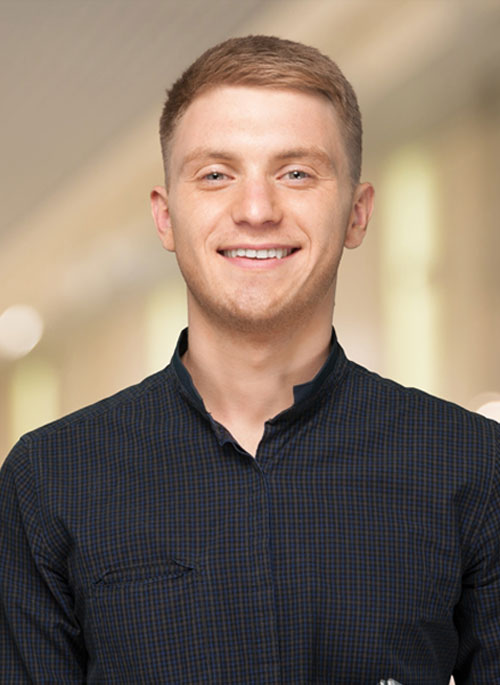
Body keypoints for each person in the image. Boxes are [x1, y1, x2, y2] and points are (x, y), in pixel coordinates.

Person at [0, 35, 498, 685]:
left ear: (357, 212)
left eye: (296, 172)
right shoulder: (51, 479)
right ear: (166, 217)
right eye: (215, 174)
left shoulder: (473, 467)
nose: (257, 210)